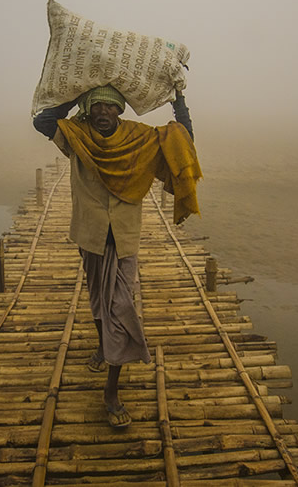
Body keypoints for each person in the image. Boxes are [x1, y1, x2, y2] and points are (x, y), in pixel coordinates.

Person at [32, 84, 201, 428]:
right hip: (90, 234)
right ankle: (101, 347)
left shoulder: (138, 138)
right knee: (98, 298)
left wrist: (178, 99)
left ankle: (111, 392)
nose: (104, 113)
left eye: (111, 107)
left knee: (122, 308)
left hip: (124, 239)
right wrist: (77, 91)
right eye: (97, 106)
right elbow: (42, 120)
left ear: (120, 110)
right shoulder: (76, 136)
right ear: (88, 109)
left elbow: (182, 139)